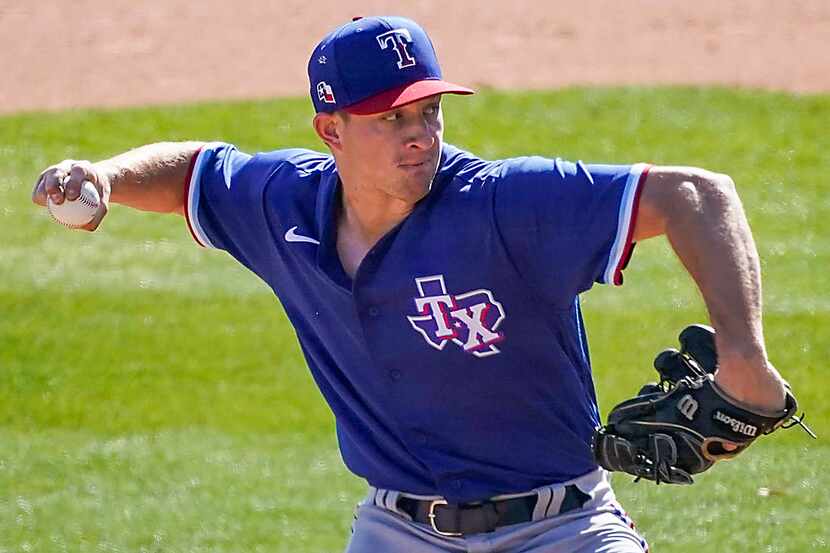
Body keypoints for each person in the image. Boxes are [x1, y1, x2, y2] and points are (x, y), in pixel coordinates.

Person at [32, 15, 788, 553]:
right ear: (330, 130)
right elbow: (196, 170)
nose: (421, 134)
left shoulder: (503, 205)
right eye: (391, 119)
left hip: (564, 527)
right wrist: (104, 175)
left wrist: (744, 362)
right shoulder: (284, 205)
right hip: (396, 529)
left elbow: (698, 194)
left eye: (428, 111)